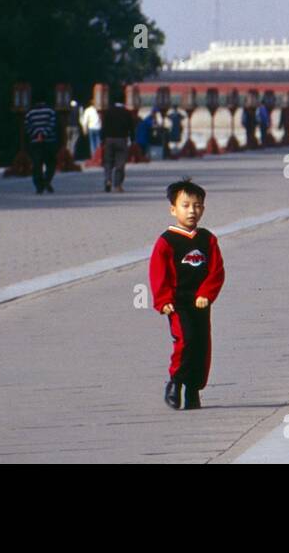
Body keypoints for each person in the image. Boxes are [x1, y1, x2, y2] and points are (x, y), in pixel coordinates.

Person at [148, 179, 224, 410]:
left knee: (202, 345)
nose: (192, 210)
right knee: (186, 340)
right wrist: (163, 300)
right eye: (185, 205)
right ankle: (176, 381)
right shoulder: (166, 242)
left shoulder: (207, 239)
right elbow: (157, 273)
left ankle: (193, 389)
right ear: (173, 209)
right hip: (178, 303)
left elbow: (216, 271)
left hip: (200, 303)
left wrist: (206, 294)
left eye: (197, 205)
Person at [24, 98, 59, 194]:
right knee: (51, 163)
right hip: (49, 141)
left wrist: (37, 134)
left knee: (36, 164)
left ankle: (39, 185)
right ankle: (47, 180)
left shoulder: (30, 113)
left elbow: (27, 126)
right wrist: (43, 134)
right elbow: (52, 124)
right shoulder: (50, 111)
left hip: (35, 142)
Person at [101, 99, 135, 192]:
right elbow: (131, 127)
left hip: (109, 139)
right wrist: (132, 139)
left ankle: (108, 180)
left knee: (108, 161)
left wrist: (102, 139)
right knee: (120, 163)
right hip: (121, 139)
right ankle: (117, 185)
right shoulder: (126, 113)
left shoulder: (108, 112)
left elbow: (103, 127)